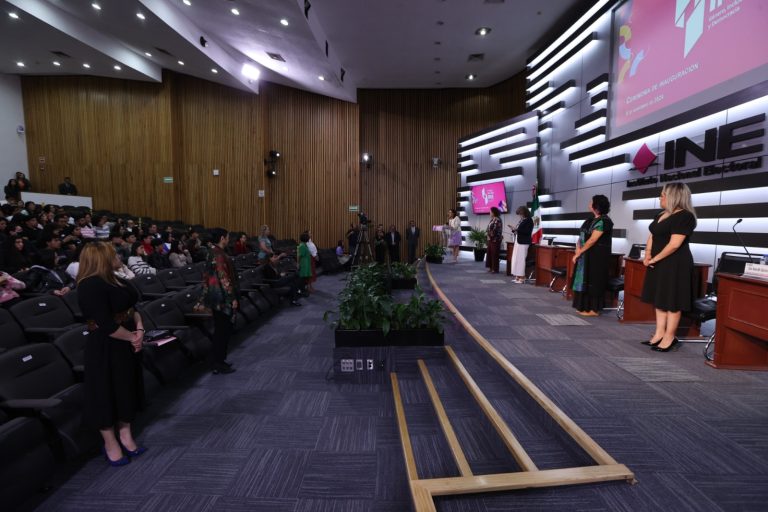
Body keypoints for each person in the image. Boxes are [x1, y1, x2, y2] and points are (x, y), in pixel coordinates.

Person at [77, 242, 146, 466]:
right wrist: (132, 337)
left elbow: (132, 308)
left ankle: (125, 435)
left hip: (126, 338)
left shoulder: (117, 278)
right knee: (106, 392)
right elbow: (104, 322)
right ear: (101, 258)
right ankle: (110, 443)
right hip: (106, 345)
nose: (118, 256)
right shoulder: (89, 284)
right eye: (113, 253)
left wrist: (140, 329)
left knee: (126, 388)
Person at [640, 182, 697, 352]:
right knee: (660, 300)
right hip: (657, 261)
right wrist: (648, 254)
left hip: (675, 263)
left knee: (672, 301)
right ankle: (658, 334)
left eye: (663, 195)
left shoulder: (685, 216)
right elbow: (652, 234)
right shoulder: (661, 214)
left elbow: (674, 244)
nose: (660, 197)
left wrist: (655, 259)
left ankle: (669, 337)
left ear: (674, 196)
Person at [202, 228, 239, 374]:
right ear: (222, 238)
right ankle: (217, 362)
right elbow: (224, 278)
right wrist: (232, 298)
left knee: (222, 330)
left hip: (216, 297)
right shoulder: (218, 254)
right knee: (222, 331)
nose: (228, 239)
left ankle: (218, 360)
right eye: (228, 237)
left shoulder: (213, 252)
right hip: (222, 299)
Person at [571, 196, 614, 315]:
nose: (589, 203)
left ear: (597, 205)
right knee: (585, 279)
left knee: (594, 281)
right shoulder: (589, 220)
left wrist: (579, 252)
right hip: (585, 255)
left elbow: (592, 240)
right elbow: (581, 236)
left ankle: (594, 310)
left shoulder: (605, 221)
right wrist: (577, 248)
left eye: (591, 201)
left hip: (597, 257)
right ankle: (584, 307)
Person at [508, 206, 533, 283]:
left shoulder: (529, 220)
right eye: (519, 214)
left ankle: (522, 277)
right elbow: (519, 231)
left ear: (524, 213)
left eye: (520, 214)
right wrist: (514, 230)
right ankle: (517, 276)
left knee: (521, 260)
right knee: (516, 259)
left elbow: (527, 232)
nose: (519, 216)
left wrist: (517, 230)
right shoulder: (522, 220)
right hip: (518, 241)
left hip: (523, 242)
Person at [486, 207, 503, 273]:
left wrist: (490, 234)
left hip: (495, 239)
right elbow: (488, 228)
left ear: (493, 212)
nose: (489, 213)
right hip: (490, 239)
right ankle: (491, 267)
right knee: (490, 253)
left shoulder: (497, 219)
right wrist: (487, 233)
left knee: (494, 254)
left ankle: (495, 268)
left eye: (490, 211)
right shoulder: (492, 219)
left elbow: (495, 230)